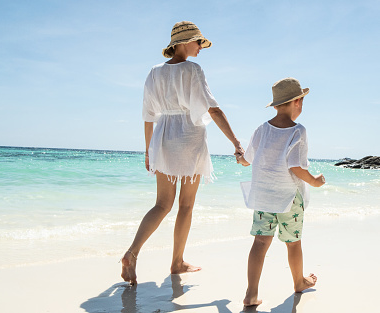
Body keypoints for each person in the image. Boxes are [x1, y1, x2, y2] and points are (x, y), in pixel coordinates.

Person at [120, 21, 244, 285]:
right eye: (198, 42)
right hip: (189, 136)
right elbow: (213, 109)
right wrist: (236, 142)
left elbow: (147, 115)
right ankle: (177, 262)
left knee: (162, 204)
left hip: (162, 137)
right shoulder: (193, 69)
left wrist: (148, 151)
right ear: (186, 42)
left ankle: (132, 253)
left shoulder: (154, 72)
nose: (200, 47)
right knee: (185, 205)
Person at [236, 77, 325, 307]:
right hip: (289, 198)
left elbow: (247, 160)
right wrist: (314, 181)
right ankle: (298, 282)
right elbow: (295, 166)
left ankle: (251, 293)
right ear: (297, 102)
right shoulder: (298, 131)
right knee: (293, 242)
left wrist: (240, 158)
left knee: (260, 243)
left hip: (264, 197)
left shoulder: (261, 130)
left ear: (276, 105)